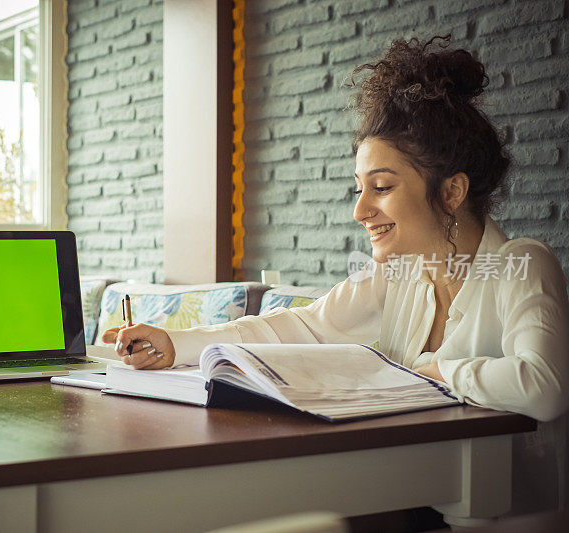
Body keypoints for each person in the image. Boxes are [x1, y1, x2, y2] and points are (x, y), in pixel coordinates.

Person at [103, 35, 569, 520]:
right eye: (359, 188)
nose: (360, 210)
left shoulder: (522, 264)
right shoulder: (397, 273)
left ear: (452, 191)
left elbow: (547, 385)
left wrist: (439, 372)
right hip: (411, 499)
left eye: (382, 187)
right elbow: (298, 325)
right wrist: (177, 343)